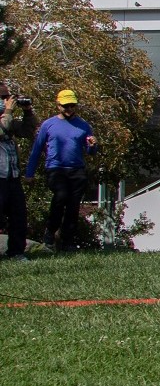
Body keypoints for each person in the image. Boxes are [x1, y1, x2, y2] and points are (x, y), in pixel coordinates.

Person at [25, 89, 97, 250]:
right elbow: (36, 150)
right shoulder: (48, 125)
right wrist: (29, 173)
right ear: (58, 105)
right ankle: (50, 231)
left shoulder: (84, 126)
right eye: (66, 106)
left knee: (73, 206)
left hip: (77, 170)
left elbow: (90, 151)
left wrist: (93, 146)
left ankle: (68, 241)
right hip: (56, 169)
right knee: (61, 196)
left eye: (72, 105)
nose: (69, 109)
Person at [1, 83, 37, 258]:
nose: (7, 101)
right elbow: (2, 130)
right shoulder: (5, 118)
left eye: (7, 97)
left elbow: (27, 131)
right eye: (3, 97)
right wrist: (7, 111)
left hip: (12, 177)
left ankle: (16, 252)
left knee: (18, 217)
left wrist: (27, 111)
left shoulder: (8, 118)